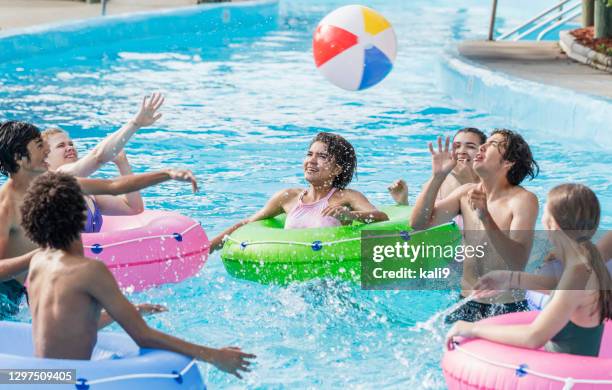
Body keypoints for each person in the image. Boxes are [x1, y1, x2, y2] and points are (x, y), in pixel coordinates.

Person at [21, 172, 255, 377]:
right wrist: (215, 356)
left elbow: (64, 327)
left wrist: (129, 312)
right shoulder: (89, 270)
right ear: (81, 217)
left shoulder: (40, 260)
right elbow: (143, 337)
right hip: (70, 380)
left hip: (44, 376)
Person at [0, 121, 197, 318]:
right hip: (5, 294)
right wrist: (42, 253)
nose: (46, 150)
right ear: (20, 158)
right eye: (39, 145)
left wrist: (167, 174)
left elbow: (113, 186)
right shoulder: (5, 206)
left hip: (27, 290)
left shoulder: (48, 184)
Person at [447, 184, 612, 357]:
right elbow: (557, 286)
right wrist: (509, 279)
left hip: (566, 380)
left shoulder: (578, 275)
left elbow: (534, 337)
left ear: (552, 224)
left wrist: (473, 328)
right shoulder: (584, 263)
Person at [410, 129, 539, 323]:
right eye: (485, 142)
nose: (484, 146)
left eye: (493, 144)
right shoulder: (465, 193)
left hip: (505, 307)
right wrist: (438, 177)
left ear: (508, 162)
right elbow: (418, 224)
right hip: (467, 303)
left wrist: (485, 216)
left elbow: (517, 261)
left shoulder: (523, 200)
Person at [209, 132, 388, 252]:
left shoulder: (347, 197)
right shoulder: (288, 197)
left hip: (330, 277)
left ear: (337, 170)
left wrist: (351, 215)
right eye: (309, 154)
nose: (312, 161)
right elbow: (247, 223)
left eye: (322, 156)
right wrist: (206, 249)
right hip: (292, 272)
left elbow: (381, 217)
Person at [43, 92, 165, 232]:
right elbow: (98, 156)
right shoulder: (52, 181)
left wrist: (122, 164)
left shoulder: (89, 192)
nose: (69, 147)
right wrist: (135, 123)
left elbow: (134, 208)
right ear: (44, 160)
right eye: (61, 146)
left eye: (70, 143)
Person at [388, 128, 486, 206]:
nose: (462, 151)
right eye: (457, 146)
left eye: (470, 147)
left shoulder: (492, 183)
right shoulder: (439, 181)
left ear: (483, 152)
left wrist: (466, 181)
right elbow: (422, 220)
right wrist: (403, 203)